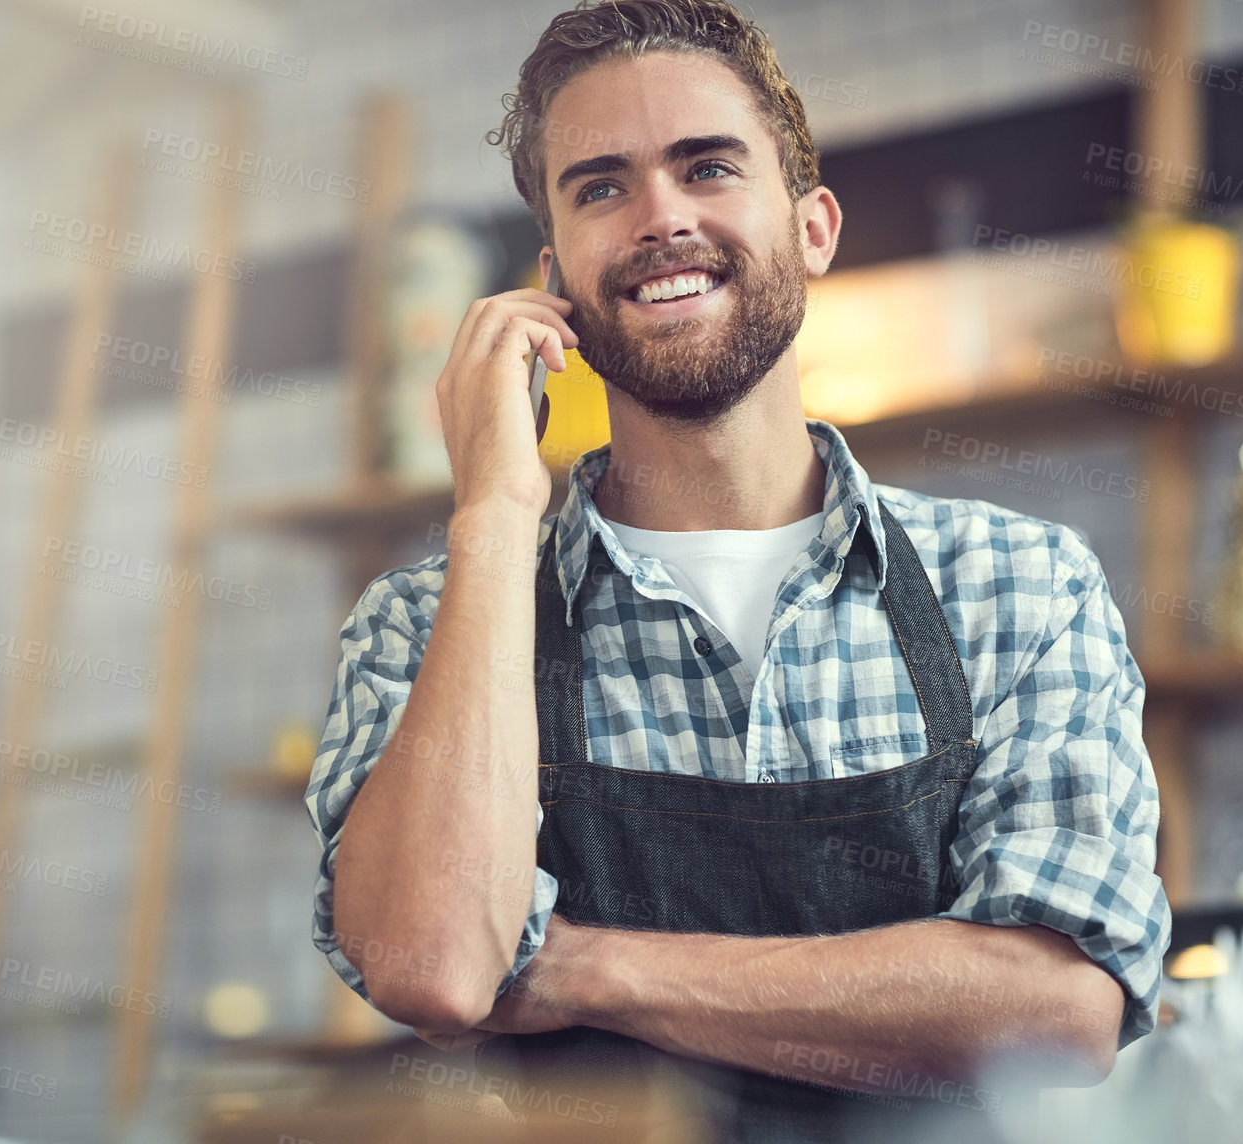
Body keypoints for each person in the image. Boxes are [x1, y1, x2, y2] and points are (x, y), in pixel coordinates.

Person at [306, 1, 1171, 1138]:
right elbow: (432, 964)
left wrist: (576, 968)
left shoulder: (1020, 588)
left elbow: (1060, 1010)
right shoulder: (429, 624)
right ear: (554, 271)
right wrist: (498, 512)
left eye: (707, 167)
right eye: (602, 187)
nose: (662, 215)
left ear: (813, 229)